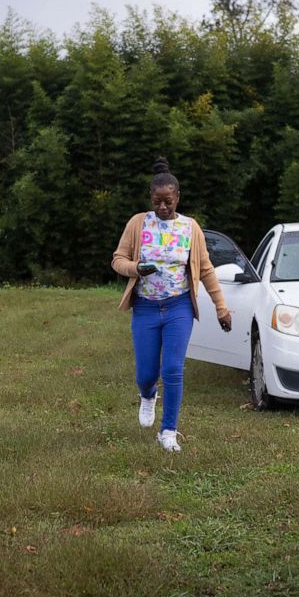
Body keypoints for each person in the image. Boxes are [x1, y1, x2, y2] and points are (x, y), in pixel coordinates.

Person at [112, 156, 232, 452]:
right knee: (146, 374)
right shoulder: (138, 224)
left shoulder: (191, 228)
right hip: (146, 308)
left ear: (178, 197)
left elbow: (205, 269)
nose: (163, 208)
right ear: (151, 199)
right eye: (157, 202)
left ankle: (168, 431)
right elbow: (118, 260)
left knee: (174, 369)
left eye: (168, 201)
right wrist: (137, 268)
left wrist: (221, 307)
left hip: (178, 307)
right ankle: (148, 394)